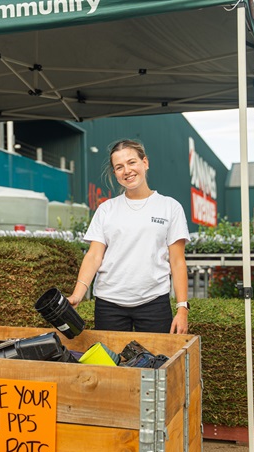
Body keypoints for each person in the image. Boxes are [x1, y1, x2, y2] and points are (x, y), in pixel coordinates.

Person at [67, 139, 190, 335]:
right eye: (119, 167)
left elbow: (177, 261)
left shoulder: (170, 207)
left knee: (156, 362)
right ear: (115, 173)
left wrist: (182, 308)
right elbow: (94, 256)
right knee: (111, 364)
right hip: (109, 304)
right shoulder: (106, 209)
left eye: (132, 162)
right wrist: (77, 295)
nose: (127, 171)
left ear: (145, 163)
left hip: (154, 302)